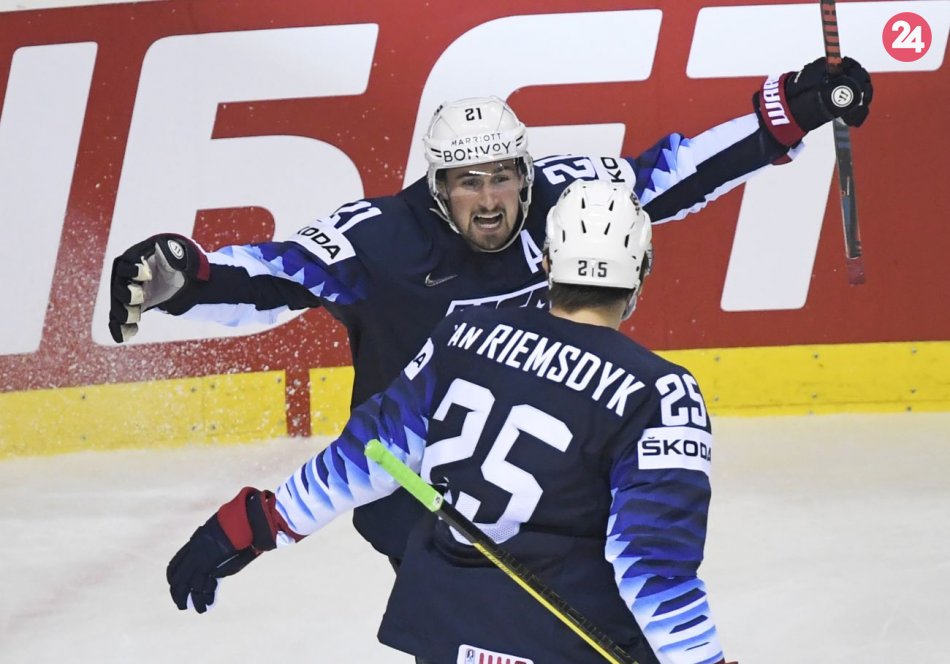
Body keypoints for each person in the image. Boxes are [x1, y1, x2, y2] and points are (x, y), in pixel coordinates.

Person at [112, 57, 872, 564]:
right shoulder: (381, 239)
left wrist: (786, 116)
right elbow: (276, 277)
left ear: (526, 174)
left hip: (545, 474)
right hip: (416, 490)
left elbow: (668, 179)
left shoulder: (562, 195)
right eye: (467, 183)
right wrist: (189, 277)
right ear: (436, 186)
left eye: (503, 178)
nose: (488, 200)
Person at [167, 180, 735, 664]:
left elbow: (369, 450)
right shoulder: (661, 393)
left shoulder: (462, 335)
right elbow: (652, 566)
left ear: (546, 261)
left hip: (445, 627)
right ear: (641, 274)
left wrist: (261, 521)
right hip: (562, 641)